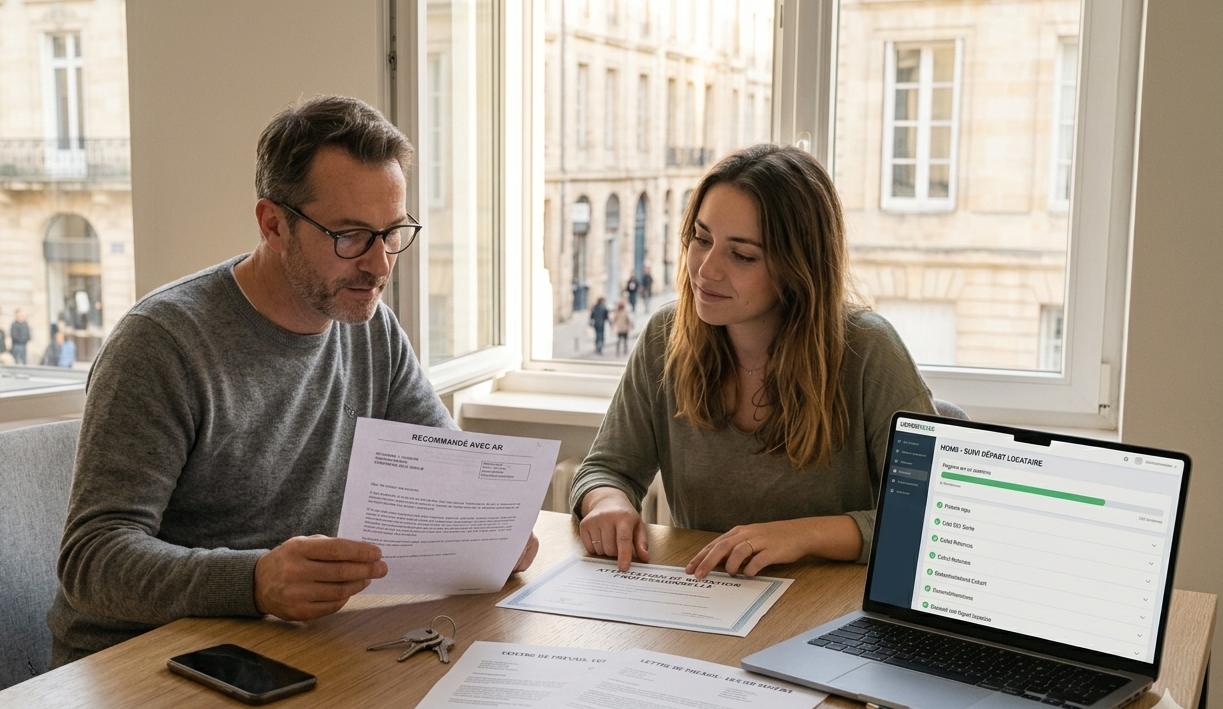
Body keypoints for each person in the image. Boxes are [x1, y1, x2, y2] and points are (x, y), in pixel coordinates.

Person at [48, 95, 537, 666]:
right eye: (350, 235)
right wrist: (253, 580)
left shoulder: (370, 327)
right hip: (139, 664)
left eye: (393, 232)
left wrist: (494, 524)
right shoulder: (162, 344)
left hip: (282, 644)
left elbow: (451, 472)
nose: (379, 264)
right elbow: (92, 559)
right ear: (274, 224)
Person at [570, 144, 937, 578]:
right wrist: (607, 501)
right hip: (706, 606)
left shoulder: (869, 349)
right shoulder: (665, 337)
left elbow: (930, 519)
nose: (706, 270)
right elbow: (605, 468)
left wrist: (800, 536)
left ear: (798, 268)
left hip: (823, 609)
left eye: (741, 255)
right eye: (701, 239)